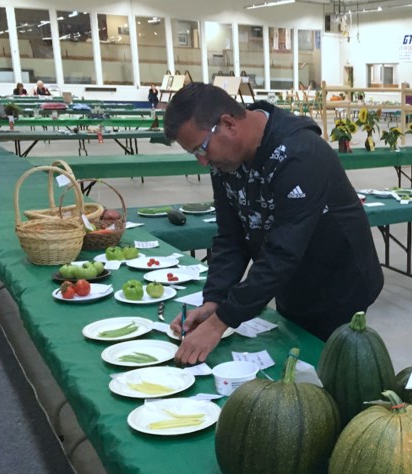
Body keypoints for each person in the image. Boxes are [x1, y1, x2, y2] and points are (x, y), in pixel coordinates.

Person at [162, 83, 384, 364]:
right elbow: (231, 237)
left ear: (228, 123)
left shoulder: (300, 153)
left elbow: (283, 252)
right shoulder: (225, 160)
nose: (202, 161)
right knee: (294, 362)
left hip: (339, 284)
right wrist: (214, 301)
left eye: (201, 148)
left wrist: (219, 324)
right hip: (292, 281)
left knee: (331, 369)